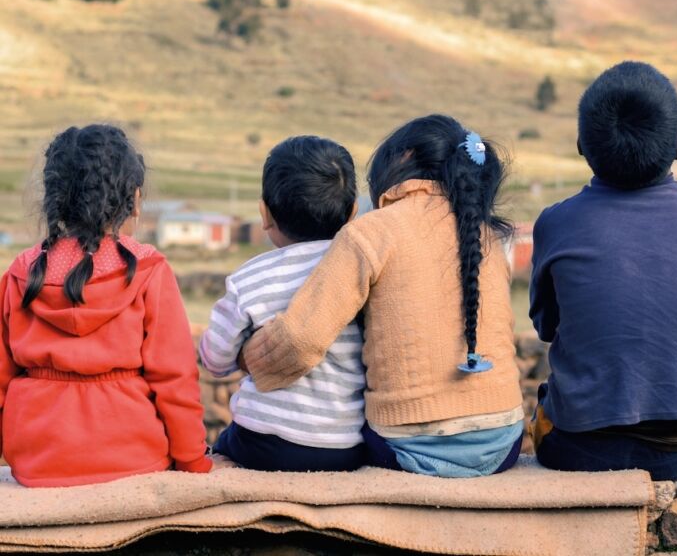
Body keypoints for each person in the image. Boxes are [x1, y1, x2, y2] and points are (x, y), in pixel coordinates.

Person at [243, 115, 524, 477]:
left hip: (408, 449)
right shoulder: (488, 236)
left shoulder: (370, 233)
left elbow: (300, 338)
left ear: (403, 158)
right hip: (504, 443)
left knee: (334, 435)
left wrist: (248, 357)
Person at [0, 124, 211, 487]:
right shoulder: (150, 268)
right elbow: (175, 378)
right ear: (135, 198)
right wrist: (192, 459)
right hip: (135, 457)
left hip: (37, 464)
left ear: (54, 197)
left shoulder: (20, 273)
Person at [529, 61, 677, 480]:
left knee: (543, 405)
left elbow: (547, 327)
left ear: (581, 144)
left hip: (579, 450)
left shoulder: (557, 223)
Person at [200, 136, 366, 471]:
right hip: (347, 445)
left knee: (219, 448)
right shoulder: (364, 273)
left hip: (263, 443)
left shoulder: (250, 277)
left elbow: (215, 361)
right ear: (352, 213)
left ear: (264, 213)